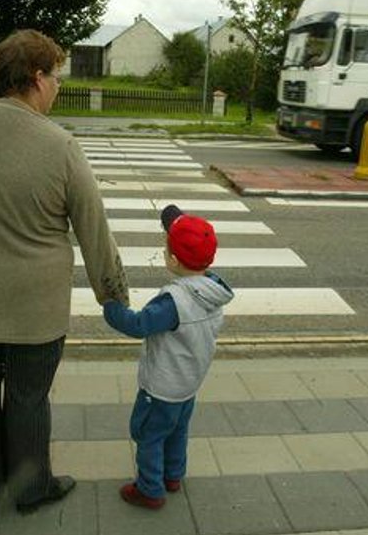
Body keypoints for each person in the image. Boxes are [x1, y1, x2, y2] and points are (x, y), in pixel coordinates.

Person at [0, 29, 129, 514]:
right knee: (30, 398)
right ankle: (30, 489)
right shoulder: (59, 145)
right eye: (57, 77)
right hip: (35, 302)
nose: (59, 87)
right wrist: (112, 294)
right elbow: (93, 227)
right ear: (36, 78)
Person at [102, 205, 234, 509]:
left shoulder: (173, 302)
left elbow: (138, 325)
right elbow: (183, 229)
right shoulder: (212, 291)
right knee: (177, 429)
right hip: (188, 384)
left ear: (172, 260)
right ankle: (173, 475)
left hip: (162, 387)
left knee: (147, 433)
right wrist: (173, 219)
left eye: (166, 247)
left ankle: (150, 489)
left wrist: (111, 308)